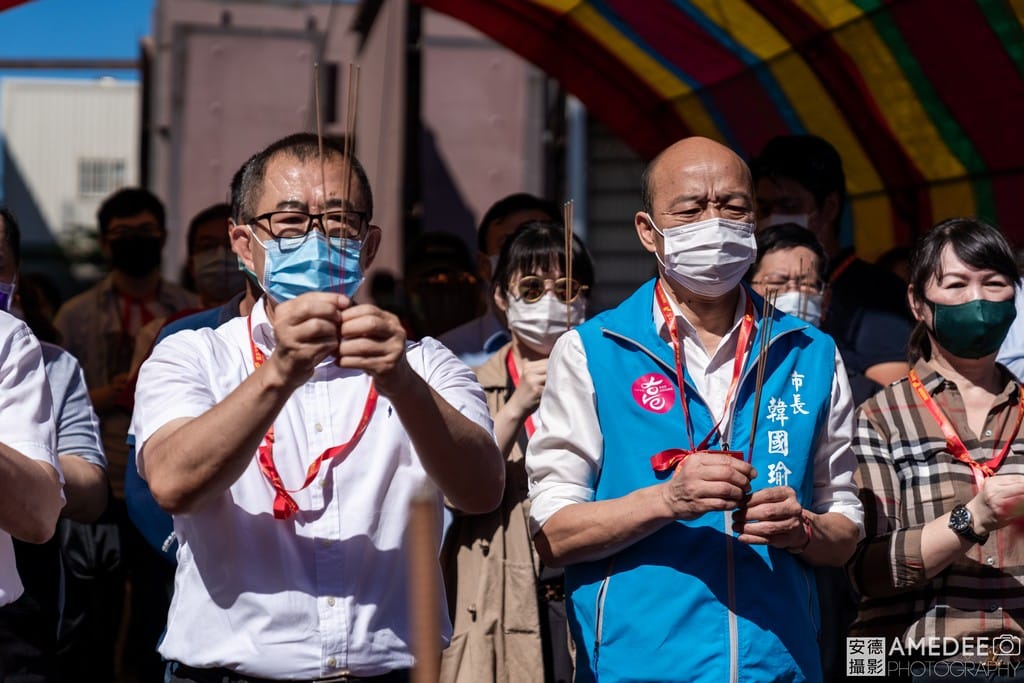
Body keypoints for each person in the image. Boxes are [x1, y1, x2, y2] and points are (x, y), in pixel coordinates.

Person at [131, 132, 504, 681]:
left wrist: (400, 382)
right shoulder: (193, 353)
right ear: (243, 243)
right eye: (288, 223)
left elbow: (481, 490)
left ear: (369, 246)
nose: (316, 239)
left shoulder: (424, 364)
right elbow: (172, 482)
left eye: (339, 224)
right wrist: (280, 371)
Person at [526, 136, 864, 683]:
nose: (715, 221)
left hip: (778, 666)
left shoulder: (810, 352)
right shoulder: (593, 350)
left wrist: (802, 530)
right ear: (647, 230)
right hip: (634, 667)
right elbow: (551, 532)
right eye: (690, 209)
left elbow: (845, 526)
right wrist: (666, 499)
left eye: (733, 207)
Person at [848, 218, 1024, 678]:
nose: (978, 300)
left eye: (994, 284)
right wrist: (974, 517)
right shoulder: (879, 416)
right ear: (917, 303)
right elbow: (865, 571)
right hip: (922, 663)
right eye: (956, 284)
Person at [441, 220, 594, 683]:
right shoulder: (464, 381)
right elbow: (450, 493)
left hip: (580, 589)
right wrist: (515, 406)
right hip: (492, 597)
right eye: (530, 288)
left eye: (565, 288)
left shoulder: (607, 381)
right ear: (501, 298)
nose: (549, 302)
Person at [0, 208, 106, 682]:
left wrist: (37, 472)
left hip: (19, 596)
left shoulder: (45, 363)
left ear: (15, 272)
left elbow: (89, 488)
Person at [752, 135, 912, 404]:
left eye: (788, 206)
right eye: (764, 208)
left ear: (828, 208)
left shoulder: (879, 294)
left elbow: (890, 402)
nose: (772, 217)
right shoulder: (742, 283)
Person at [439, 193, 560, 366]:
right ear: (484, 266)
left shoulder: (593, 347)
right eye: (508, 244)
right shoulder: (448, 354)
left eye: (541, 242)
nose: (527, 255)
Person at [746, 222, 829, 327]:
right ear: (747, 290)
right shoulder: (728, 343)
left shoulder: (831, 344)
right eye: (776, 282)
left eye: (807, 284)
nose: (793, 294)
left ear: (826, 299)